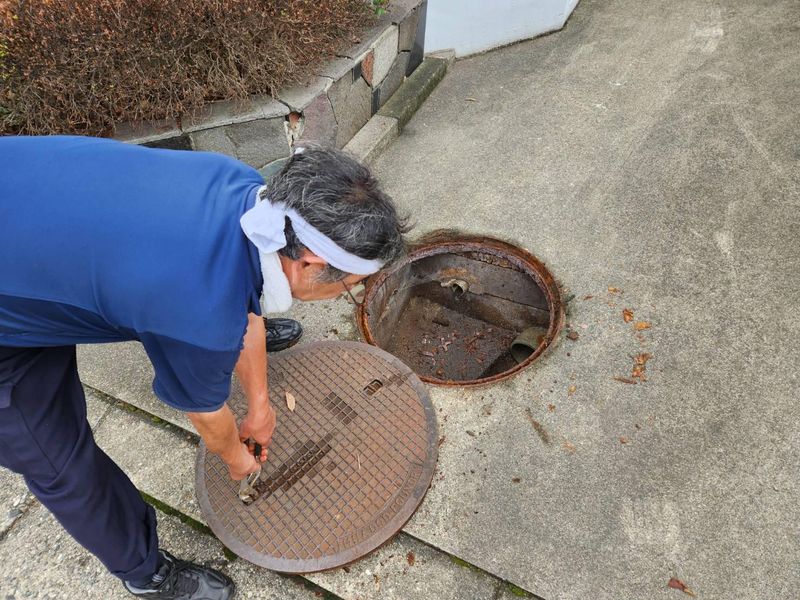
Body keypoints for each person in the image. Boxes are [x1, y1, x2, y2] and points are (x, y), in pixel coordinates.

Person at [0, 136, 409, 600]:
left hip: (28, 203)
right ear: (310, 263)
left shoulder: (242, 186)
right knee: (54, 457)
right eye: (352, 285)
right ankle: (144, 572)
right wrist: (237, 460)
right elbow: (208, 415)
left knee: (196, 313)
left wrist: (260, 405)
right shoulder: (202, 317)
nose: (349, 293)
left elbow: (234, 299)